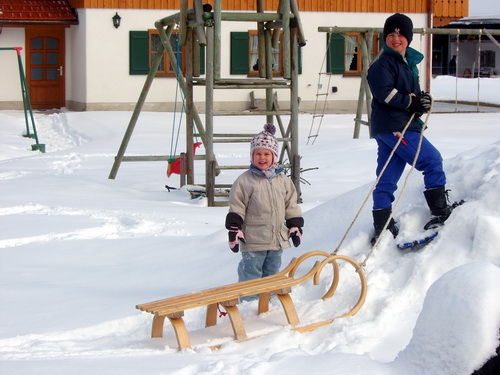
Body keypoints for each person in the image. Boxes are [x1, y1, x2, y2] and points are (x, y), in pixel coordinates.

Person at [367, 13, 452, 244]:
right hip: (396, 126)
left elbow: (409, 96)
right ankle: (439, 210)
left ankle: (382, 225)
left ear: (408, 38)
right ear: (385, 37)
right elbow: (385, 93)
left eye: (400, 34)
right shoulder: (383, 63)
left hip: (394, 126)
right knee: (431, 160)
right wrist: (410, 102)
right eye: (391, 35)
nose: (396, 39)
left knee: (388, 175)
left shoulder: (407, 63)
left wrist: (420, 102)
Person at [225, 123, 304, 301]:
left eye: (266, 153)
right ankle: (249, 305)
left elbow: (290, 205)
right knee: (251, 273)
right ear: (252, 156)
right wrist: (234, 228)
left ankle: (268, 304)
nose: (262, 157)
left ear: (274, 156)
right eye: (257, 153)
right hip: (253, 239)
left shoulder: (283, 180)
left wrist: (294, 226)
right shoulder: (245, 181)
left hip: (277, 239)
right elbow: (237, 206)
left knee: (272, 273)